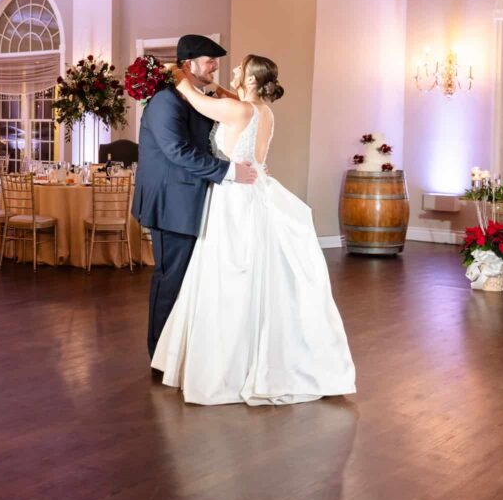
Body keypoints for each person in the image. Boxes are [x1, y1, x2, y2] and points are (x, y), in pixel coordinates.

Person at [151, 54, 356, 406]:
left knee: (228, 276)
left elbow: (198, 101)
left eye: (239, 71)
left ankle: (227, 366)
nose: (230, 72)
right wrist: (217, 86)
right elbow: (234, 107)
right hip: (256, 186)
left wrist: (177, 73)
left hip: (234, 197)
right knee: (255, 273)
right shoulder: (262, 110)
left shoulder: (239, 111)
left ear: (250, 80)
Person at [132, 35, 258, 360]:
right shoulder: (165, 101)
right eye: (209, 60)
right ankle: (159, 354)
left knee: (191, 280)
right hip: (172, 203)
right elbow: (178, 151)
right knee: (171, 278)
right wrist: (229, 171)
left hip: (194, 200)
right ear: (188, 64)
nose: (215, 66)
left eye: (216, 61)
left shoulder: (193, 97)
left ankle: (182, 352)